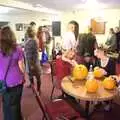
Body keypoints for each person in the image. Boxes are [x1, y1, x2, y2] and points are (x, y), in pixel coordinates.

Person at [0, 26, 25, 120]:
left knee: (5, 103)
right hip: (16, 81)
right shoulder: (17, 49)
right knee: (15, 104)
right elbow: (21, 67)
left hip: (2, 82)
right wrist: (24, 75)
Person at [24, 27, 41, 94]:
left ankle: (36, 90)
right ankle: (37, 90)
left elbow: (29, 55)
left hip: (32, 62)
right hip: (35, 61)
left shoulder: (30, 41)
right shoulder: (35, 40)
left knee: (33, 76)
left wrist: (31, 64)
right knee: (37, 77)